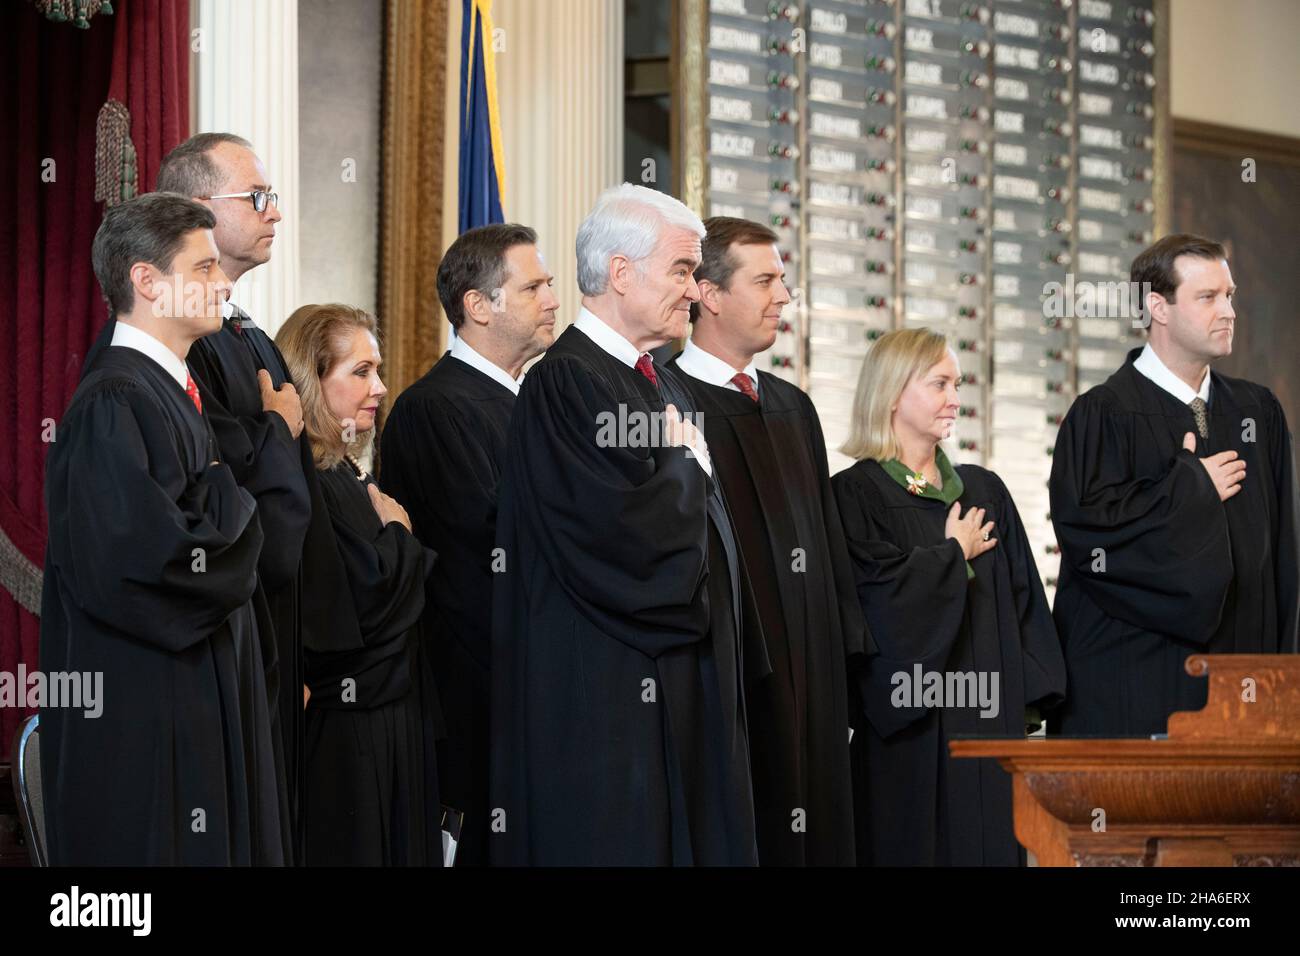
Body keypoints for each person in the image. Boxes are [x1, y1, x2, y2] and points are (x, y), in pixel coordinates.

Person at [490, 184, 758, 865]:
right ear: (619, 272)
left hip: (682, 691)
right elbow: (618, 542)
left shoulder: (661, 383)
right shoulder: (568, 383)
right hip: (610, 703)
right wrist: (683, 467)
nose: (695, 293)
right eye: (680, 271)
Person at [41, 192, 286, 864]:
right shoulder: (115, 402)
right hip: (150, 719)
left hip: (193, 699)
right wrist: (235, 503)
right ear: (146, 281)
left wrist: (224, 502)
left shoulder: (165, 393)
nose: (220, 284)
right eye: (203, 268)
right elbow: (154, 565)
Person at [667, 217, 862, 865]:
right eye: (766, 281)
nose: (784, 296)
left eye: (784, 280)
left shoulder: (792, 405)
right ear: (710, 294)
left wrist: (849, 678)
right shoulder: (666, 403)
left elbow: (830, 553)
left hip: (815, 685)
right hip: (736, 685)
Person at [832, 328, 1067, 865]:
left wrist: (1019, 710)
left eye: (957, 384)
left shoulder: (985, 492)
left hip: (986, 727)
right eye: (939, 383)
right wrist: (949, 557)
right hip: (907, 731)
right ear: (893, 394)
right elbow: (868, 608)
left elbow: (1024, 602)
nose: (955, 398)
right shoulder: (857, 493)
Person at [1049, 234, 1299, 736]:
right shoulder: (1102, 415)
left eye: (1230, 295)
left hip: (1240, 697)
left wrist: (1280, 683)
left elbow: (1282, 565)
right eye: (1207, 297)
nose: (1228, 311)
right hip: (1132, 690)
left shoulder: (1256, 413)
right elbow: (1094, 543)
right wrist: (1190, 492)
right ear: (1157, 307)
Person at [379, 223, 557, 866]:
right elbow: (478, 562)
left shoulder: (534, 401)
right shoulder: (435, 409)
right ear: (478, 306)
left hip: (534, 694)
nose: (553, 299)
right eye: (533, 285)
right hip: (481, 710)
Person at [157, 132, 312, 856]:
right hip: (235, 612)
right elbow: (226, 474)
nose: (273, 211)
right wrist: (279, 428)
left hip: (277, 627)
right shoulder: (187, 344)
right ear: (195, 209)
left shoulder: (244, 331)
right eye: (256, 197)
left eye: (271, 196)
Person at [276, 304, 439, 865]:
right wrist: (399, 534)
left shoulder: (346, 472)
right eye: (361, 371)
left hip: (393, 718)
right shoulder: (308, 484)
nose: (381, 386)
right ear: (312, 381)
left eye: (378, 369)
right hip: (346, 733)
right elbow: (357, 611)